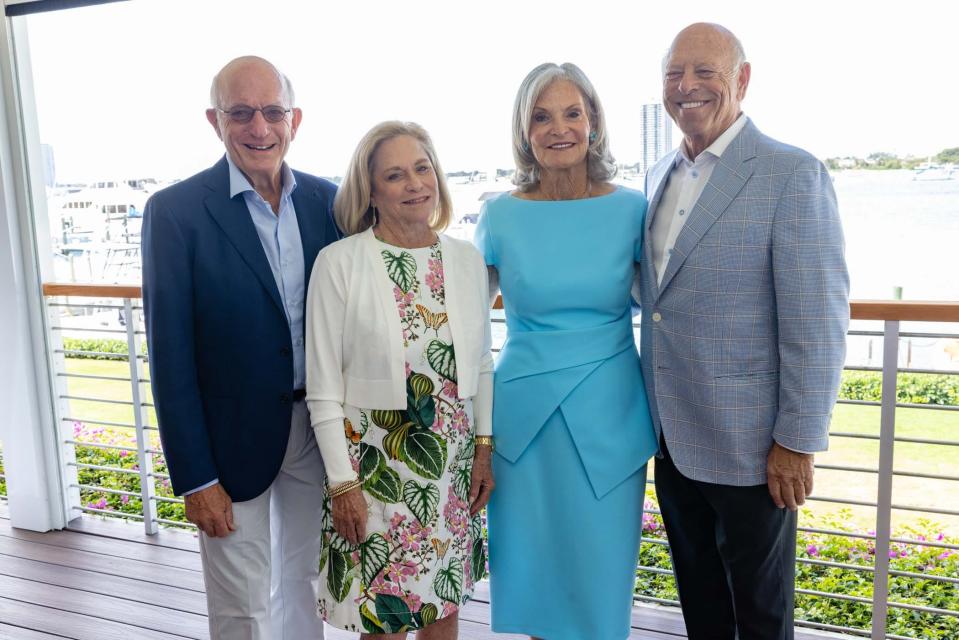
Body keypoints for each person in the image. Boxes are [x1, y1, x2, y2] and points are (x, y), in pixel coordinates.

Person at [636, 23, 850, 640]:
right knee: (700, 608)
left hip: (756, 450)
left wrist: (798, 440)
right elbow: (657, 299)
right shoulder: (657, 177)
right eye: (675, 74)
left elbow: (817, 320)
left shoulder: (791, 174)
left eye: (705, 72)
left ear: (742, 80)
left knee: (760, 615)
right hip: (672, 440)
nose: (687, 86)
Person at [141, 56, 340, 639]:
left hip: (315, 431)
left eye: (273, 111)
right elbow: (169, 356)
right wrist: (195, 477)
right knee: (241, 602)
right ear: (215, 120)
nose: (260, 127)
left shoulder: (326, 203)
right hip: (229, 444)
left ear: (294, 119)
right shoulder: (175, 213)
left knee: (305, 583)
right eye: (241, 113)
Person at [474, 63, 658, 640]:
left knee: (600, 589)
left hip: (608, 417)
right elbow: (465, 326)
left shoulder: (634, 210)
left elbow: (668, 307)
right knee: (536, 583)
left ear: (594, 123)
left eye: (572, 113)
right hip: (523, 425)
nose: (559, 128)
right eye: (541, 115)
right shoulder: (499, 213)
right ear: (524, 130)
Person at [305, 121, 494, 639]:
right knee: (383, 620)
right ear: (371, 190)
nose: (415, 184)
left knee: (443, 608)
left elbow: (480, 365)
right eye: (395, 175)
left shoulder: (466, 259)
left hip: (450, 469)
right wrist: (343, 485)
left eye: (422, 168)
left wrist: (483, 450)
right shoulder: (338, 264)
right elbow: (322, 389)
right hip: (373, 472)